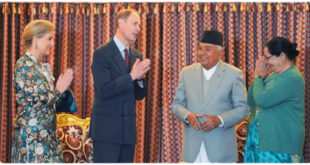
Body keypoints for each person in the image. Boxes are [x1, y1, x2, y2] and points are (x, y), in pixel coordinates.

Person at [172, 30, 249, 162]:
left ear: (220, 52)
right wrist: (187, 115)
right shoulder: (186, 73)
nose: (202, 53)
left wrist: (219, 119)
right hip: (192, 150)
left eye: (207, 49)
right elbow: (177, 105)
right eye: (200, 49)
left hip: (221, 150)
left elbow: (243, 109)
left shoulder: (234, 74)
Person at [90, 9, 150, 163]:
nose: (139, 29)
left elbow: (139, 95)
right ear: (121, 22)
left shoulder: (137, 55)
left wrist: (140, 80)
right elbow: (103, 90)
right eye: (135, 23)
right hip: (106, 132)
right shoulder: (101, 54)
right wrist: (131, 76)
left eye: (140, 25)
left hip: (128, 132)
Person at [11, 20, 74, 163]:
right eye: (49, 39)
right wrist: (58, 90)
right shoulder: (24, 64)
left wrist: (62, 91)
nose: (52, 43)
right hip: (32, 135)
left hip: (46, 134)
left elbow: (49, 100)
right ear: (35, 39)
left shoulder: (39, 66)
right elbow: (36, 98)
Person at [243, 37, 305, 163]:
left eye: (268, 57)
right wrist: (259, 78)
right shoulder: (273, 76)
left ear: (282, 56)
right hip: (261, 141)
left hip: (279, 144)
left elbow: (262, 100)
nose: (266, 62)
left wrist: (258, 78)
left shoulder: (292, 77)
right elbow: (251, 100)